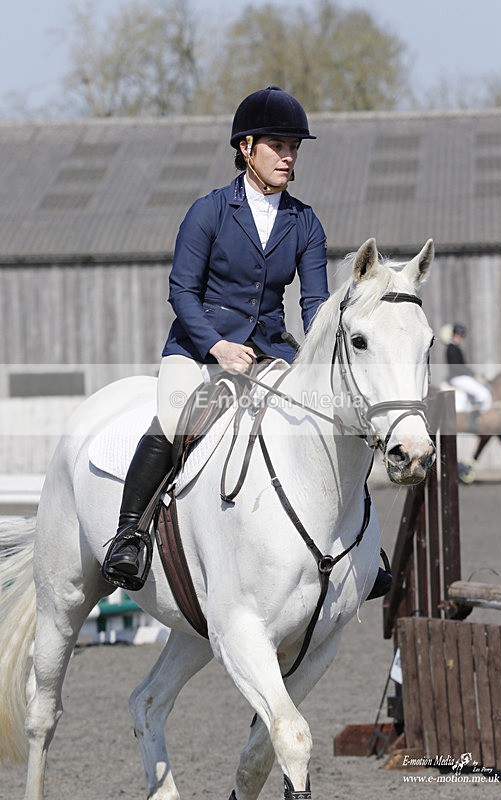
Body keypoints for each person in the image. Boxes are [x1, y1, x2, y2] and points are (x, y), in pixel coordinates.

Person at [102, 85, 391, 601]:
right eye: (278, 145)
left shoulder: (305, 222)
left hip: (270, 347)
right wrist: (216, 347)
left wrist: (313, 360)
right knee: (173, 419)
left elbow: (314, 306)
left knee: (327, 420)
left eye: (294, 147)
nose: (288, 155)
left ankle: (360, 541)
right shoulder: (209, 212)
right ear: (246, 147)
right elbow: (181, 291)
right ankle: (128, 535)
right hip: (197, 347)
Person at [446, 323, 491, 410]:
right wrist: (473, 374)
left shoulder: (455, 347)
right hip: (458, 377)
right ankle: (478, 416)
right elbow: (457, 366)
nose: (461, 338)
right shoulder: (452, 348)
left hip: (461, 376)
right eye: (460, 336)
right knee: (483, 394)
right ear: (456, 335)